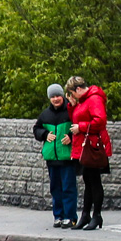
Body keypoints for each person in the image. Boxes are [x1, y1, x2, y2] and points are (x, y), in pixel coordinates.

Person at [66, 75, 111, 230]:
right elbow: (75, 119)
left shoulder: (94, 99)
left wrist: (82, 127)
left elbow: (100, 120)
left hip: (92, 146)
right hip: (84, 147)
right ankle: (86, 215)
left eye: (72, 93)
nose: (72, 96)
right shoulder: (83, 101)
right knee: (88, 180)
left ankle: (96, 215)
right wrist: (72, 106)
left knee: (94, 181)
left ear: (78, 89)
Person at [33, 83, 78, 228]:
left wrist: (71, 136)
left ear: (62, 96)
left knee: (68, 188)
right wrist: (45, 134)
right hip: (52, 158)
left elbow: (79, 126)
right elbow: (36, 129)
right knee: (55, 188)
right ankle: (58, 216)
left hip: (67, 157)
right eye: (52, 96)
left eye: (58, 95)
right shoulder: (45, 114)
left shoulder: (70, 111)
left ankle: (70, 217)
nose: (55, 99)